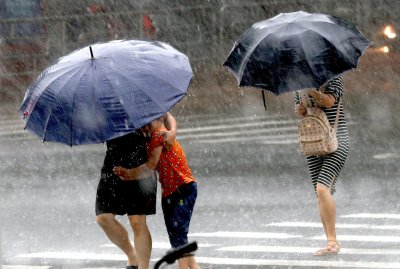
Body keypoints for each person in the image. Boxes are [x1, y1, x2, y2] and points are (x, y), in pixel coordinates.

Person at [113, 115, 201, 269]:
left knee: (178, 236)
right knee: (176, 235)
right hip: (170, 191)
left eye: (149, 123)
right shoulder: (152, 134)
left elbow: (150, 167)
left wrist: (128, 173)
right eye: (142, 124)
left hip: (182, 188)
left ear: (159, 119)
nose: (145, 127)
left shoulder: (159, 135)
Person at [95, 112, 177, 269]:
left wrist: (172, 131)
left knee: (137, 222)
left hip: (142, 165)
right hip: (113, 167)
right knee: (103, 218)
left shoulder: (137, 97)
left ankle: (143, 267)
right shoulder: (102, 101)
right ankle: (132, 256)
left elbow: (165, 114)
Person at [294, 76, 349, 256]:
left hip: (336, 141)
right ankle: (329, 241)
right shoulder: (297, 81)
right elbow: (299, 111)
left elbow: (328, 102)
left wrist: (310, 89)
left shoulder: (333, 77)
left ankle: (333, 241)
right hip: (313, 141)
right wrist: (300, 108)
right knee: (320, 193)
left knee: (322, 189)